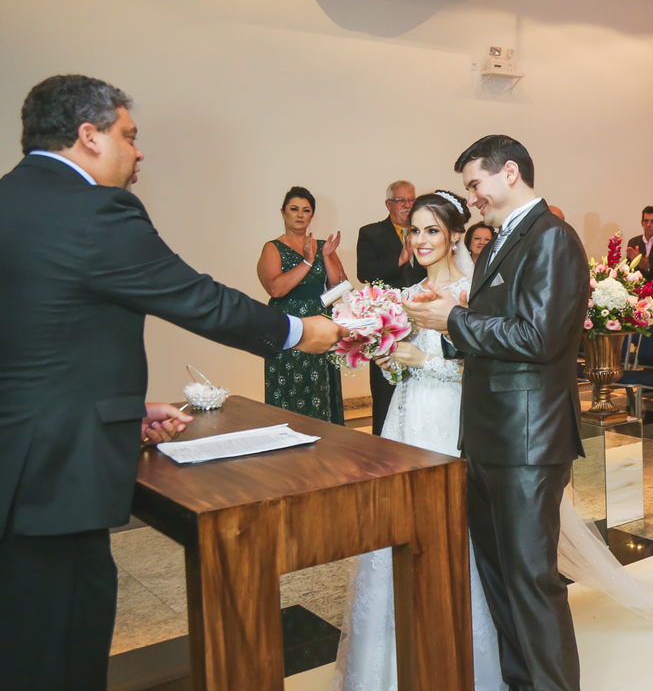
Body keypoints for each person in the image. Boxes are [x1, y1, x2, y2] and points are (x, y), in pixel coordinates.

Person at [0, 75, 344, 691]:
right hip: (51, 478)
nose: (138, 152)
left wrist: (120, 408)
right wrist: (301, 332)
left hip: (20, 461)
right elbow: (197, 298)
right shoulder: (97, 209)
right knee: (60, 648)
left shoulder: (11, 200)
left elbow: (34, 343)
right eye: (129, 136)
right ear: (89, 135)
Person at [404, 135, 590, 691]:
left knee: (530, 583)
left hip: (528, 440)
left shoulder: (552, 238)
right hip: (488, 437)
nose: (471, 198)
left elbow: (539, 337)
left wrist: (453, 321)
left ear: (510, 172)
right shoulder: (498, 243)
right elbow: (496, 331)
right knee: (499, 582)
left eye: (474, 184)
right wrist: (448, 320)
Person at [334, 189, 506, 691]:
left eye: (433, 230)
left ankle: (459, 665)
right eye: (415, 230)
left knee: (451, 537)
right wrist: (388, 359)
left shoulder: (471, 292)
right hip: (405, 424)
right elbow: (400, 374)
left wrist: (423, 360)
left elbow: (484, 371)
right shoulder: (405, 294)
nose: (422, 239)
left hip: (452, 426)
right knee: (398, 536)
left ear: (455, 236)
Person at [257, 187, 348, 424]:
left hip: (320, 324)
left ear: (311, 215)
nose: (300, 215)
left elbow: (339, 288)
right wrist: (307, 261)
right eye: (294, 209)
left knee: (320, 386)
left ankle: (325, 439)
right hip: (287, 325)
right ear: (283, 212)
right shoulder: (272, 247)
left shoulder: (322, 246)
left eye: (306, 210)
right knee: (288, 384)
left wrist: (326, 256)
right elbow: (276, 289)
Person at [356, 180, 427, 435]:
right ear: (388, 204)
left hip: (422, 319)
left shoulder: (424, 231)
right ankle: (381, 443)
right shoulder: (371, 233)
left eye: (411, 200)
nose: (407, 205)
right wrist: (399, 259)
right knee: (385, 389)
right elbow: (364, 272)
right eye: (400, 200)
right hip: (387, 323)